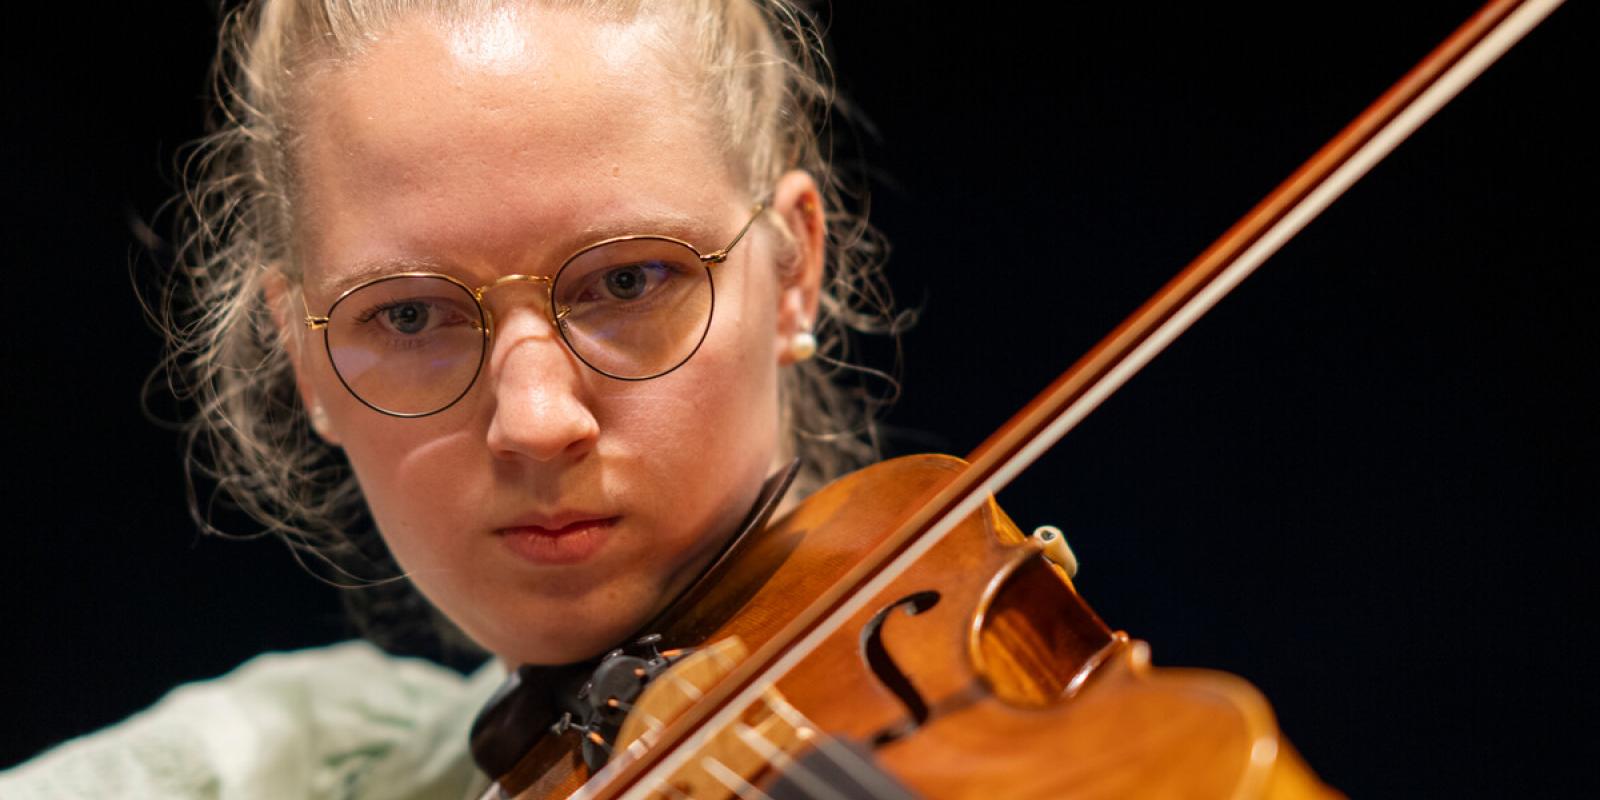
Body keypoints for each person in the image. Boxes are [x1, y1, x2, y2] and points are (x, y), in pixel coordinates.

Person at [0, 0, 894, 797]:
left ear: (792, 272)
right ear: (303, 361)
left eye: (627, 280)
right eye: (412, 314)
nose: (538, 424)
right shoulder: (276, 769)